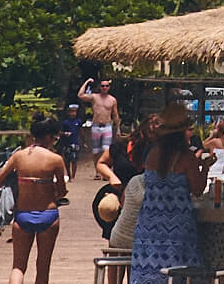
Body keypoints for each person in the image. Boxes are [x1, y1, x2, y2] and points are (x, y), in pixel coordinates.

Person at [0, 116, 71, 284]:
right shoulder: (56, 160)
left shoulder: (18, 157)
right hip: (48, 214)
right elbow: (62, 192)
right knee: (43, 265)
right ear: (48, 136)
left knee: (18, 266)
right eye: (55, 137)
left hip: (23, 214)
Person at [127, 125, 205, 284]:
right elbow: (197, 189)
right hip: (176, 228)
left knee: (148, 276)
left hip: (148, 228)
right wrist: (205, 168)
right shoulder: (186, 157)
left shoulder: (152, 154)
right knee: (178, 274)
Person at [79, 77, 119, 176]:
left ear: (109, 87)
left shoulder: (112, 100)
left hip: (107, 126)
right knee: (96, 150)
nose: (104, 88)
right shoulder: (94, 97)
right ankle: (97, 170)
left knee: (106, 150)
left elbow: (115, 114)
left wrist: (118, 128)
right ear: (99, 87)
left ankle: (106, 171)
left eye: (106, 86)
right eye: (102, 86)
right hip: (96, 126)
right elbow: (80, 95)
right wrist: (87, 82)